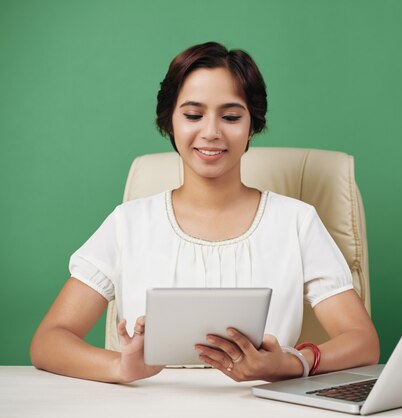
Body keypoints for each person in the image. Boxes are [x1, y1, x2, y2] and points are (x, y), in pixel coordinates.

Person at [30, 41, 379, 383]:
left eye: (230, 116)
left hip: (266, 407)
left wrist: (291, 363)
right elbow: (49, 341)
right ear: (169, 121)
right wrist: (121, 367)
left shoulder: (296, 222)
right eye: (193, 115)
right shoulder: (128, 223)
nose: (211, 132)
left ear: (252, 125)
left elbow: (363, 342)